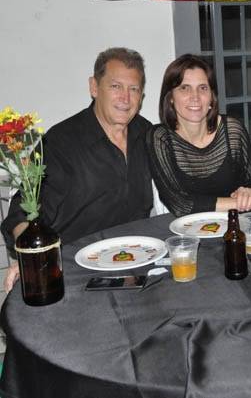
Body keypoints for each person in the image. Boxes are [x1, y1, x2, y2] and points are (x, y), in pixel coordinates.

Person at [1, 47, 153, 292]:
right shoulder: (61, 142)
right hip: (76, 274)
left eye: (133, 89)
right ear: (94, 87)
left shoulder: (146, 134)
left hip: (137, 267)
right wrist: (31, 255)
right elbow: (22, 212)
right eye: (115, 86)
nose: (125, 98)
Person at [147, 54, 251, 216]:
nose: (195, 97)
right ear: (171, 98)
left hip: (235, 224)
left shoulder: (231, 129)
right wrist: (248, 203)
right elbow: (180, 204)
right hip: (187, 228)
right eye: (184, 88)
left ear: (211, 97)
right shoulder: (160, 138)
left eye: (203, 88)